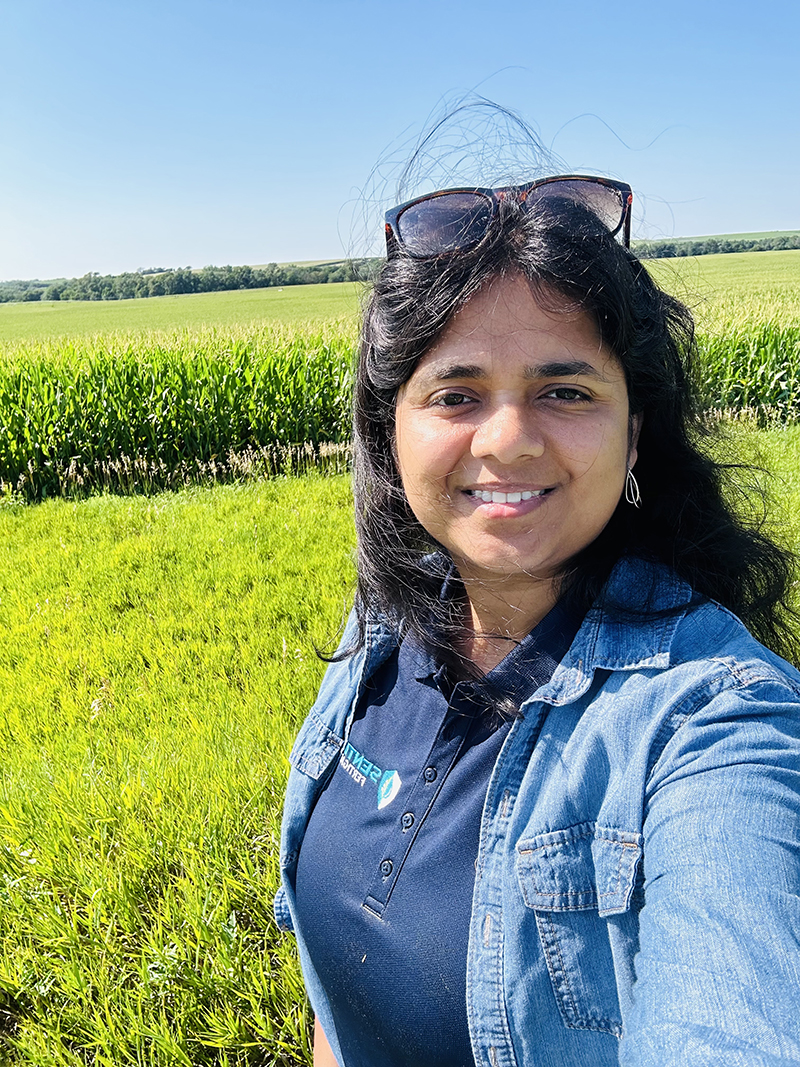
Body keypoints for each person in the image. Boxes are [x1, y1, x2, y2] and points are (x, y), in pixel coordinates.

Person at [274, 173, 800, 1066]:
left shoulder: (713, 721)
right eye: (456, 393)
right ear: (390, 432)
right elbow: (338, 983)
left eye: (565, 390)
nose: (508, 437)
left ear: (633, 434)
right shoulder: (383, 628)